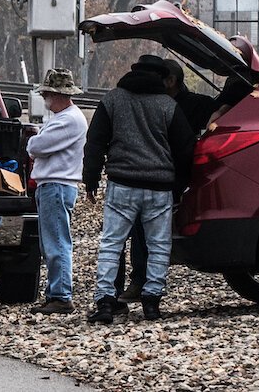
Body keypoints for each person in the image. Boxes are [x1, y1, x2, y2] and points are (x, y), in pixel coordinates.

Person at [83, 53, 196, 324]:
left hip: (122, 184)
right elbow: (185, 149)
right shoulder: (168, 105)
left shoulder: (112, 99)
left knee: (112, 244)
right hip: (159, 187)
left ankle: (106, 303)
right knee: (158, 246)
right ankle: (151, 303)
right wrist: (178, 186)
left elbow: (95, 142)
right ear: (161, 77)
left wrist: (91, 179)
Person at [113, 57, 214, 302]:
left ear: (170, 80)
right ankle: (146, 287)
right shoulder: (185, 104)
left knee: (141, 233)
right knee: (143, 232)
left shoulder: (193, 105)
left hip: (172, 177)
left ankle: (144, 285)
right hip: (162, 176)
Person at [25, 68, 87, 316]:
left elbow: (36, 145)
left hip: (56, 186)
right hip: (56, 186)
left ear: (58, 94)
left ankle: (61, 295)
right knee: (53, 241)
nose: (46, 99)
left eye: (48, 94)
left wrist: (35, 140)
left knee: (57, 242)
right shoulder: (68, 118)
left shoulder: (68, 120)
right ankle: (56, 292)